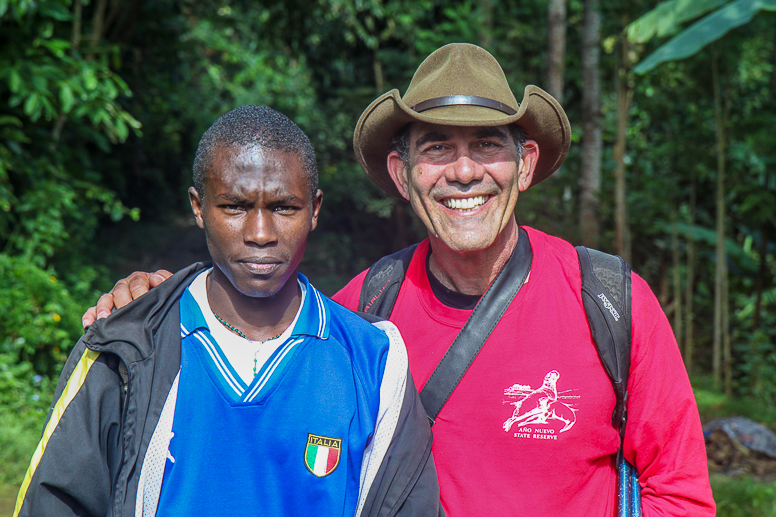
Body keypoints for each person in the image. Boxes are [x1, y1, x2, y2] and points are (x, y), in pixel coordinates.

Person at [82, 44, 716, 516]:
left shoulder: (606, 301)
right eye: (437, 147)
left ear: (524, 164)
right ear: (402, 171)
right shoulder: (364, 312)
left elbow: (681, 494)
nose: (464, 172)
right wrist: (158, 301)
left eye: (489, 145)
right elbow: (253, 374)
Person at [15, 105, 441, 517]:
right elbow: (55, 501)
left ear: (315, 210)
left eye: (283, 208)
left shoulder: (374, 359)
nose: (260, 234)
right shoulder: (127, 347)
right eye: (235, 207)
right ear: (199, 208)